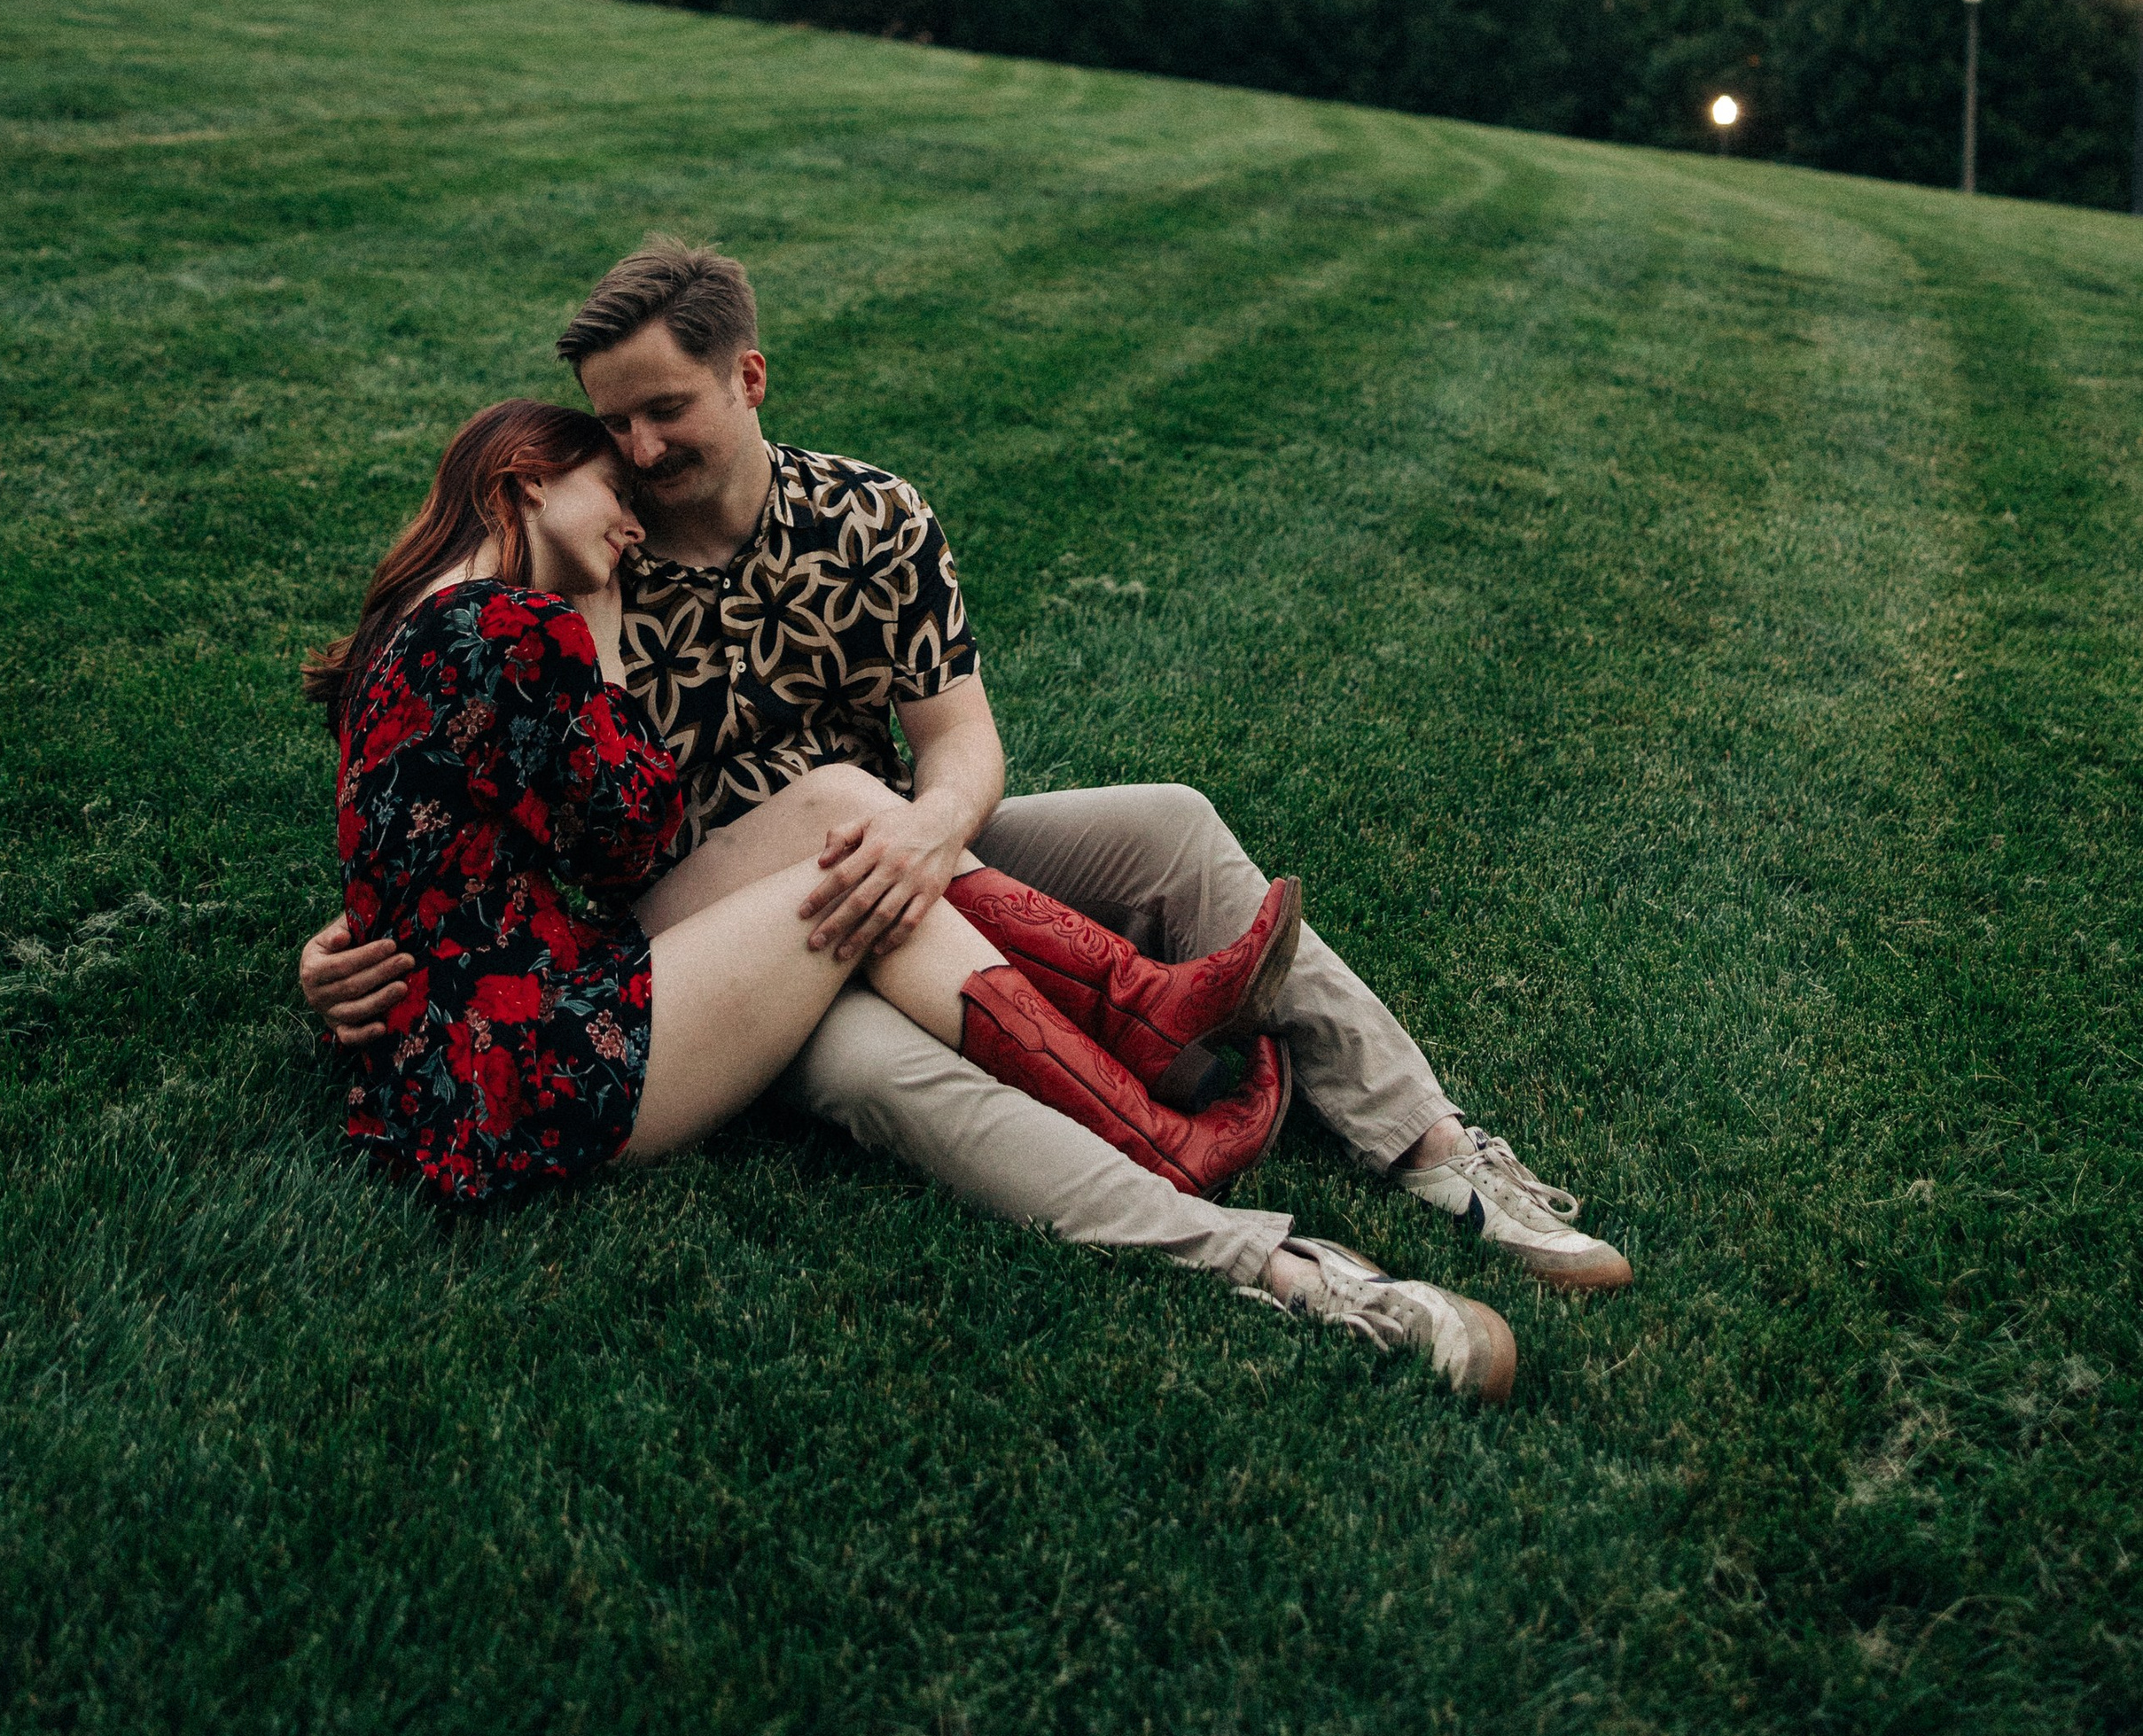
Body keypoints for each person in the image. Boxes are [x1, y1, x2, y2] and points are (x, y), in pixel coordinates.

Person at [305, 240, 1628, 1364]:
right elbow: (452, 786)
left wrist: (928, 835)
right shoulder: (592, 565)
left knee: (1167, 818)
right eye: (615, 423)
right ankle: (1267, 1256)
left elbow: (964, 749)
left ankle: (1437, 1147)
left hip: (898, 841)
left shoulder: (870, 520)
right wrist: (341, 952)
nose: (641, 448)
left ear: (747, 377)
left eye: (666, 409)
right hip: (715, 939)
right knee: (879, 1065)